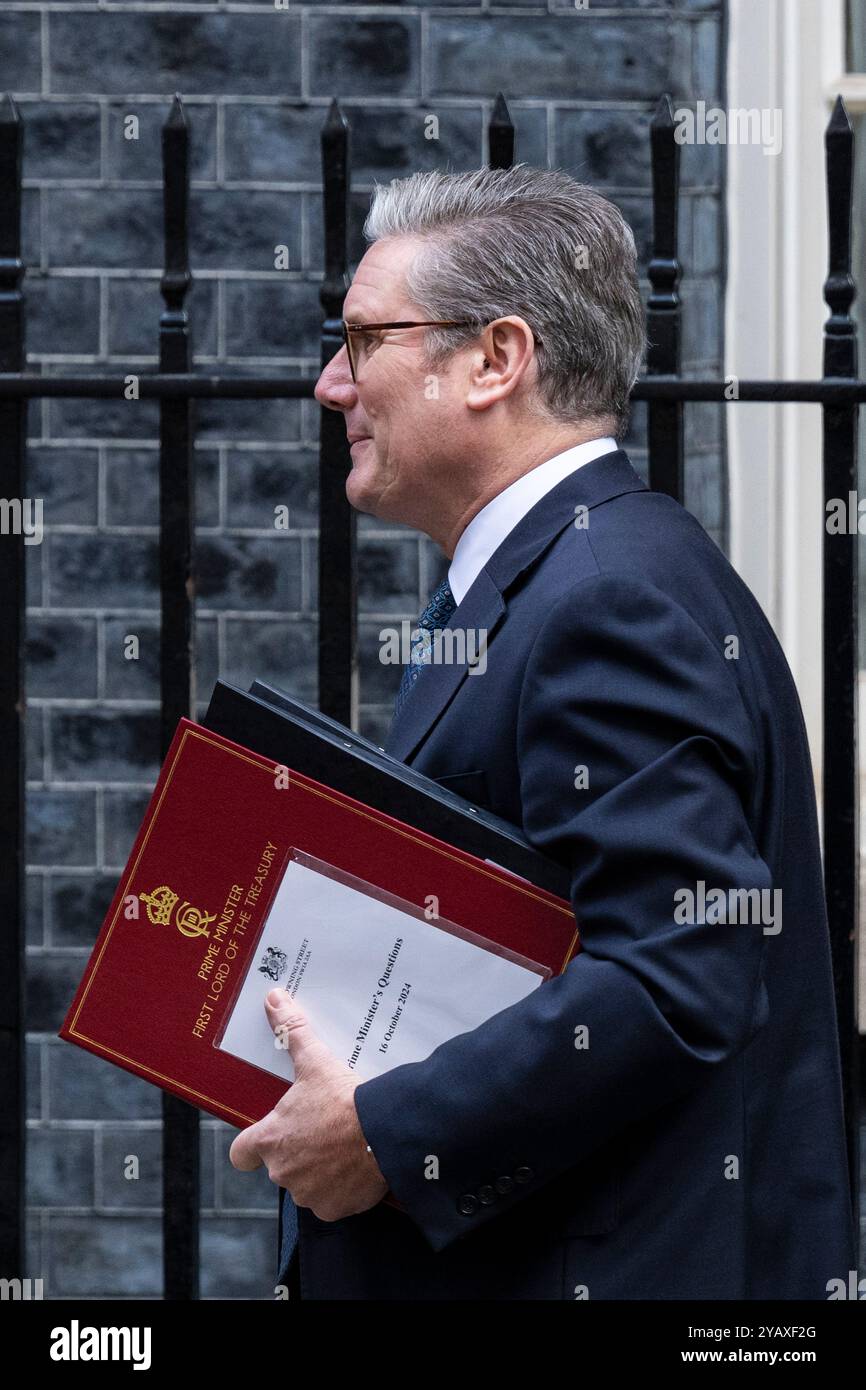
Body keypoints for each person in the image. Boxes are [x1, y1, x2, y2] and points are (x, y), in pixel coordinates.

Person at [230, 164, 856, 1300]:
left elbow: (675, 972)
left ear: (495, 359)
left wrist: (386, 1133)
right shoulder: (569, 575)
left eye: (364, 339)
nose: (331, 383)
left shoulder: (604, 599)